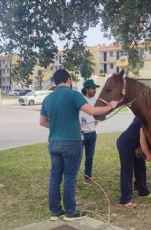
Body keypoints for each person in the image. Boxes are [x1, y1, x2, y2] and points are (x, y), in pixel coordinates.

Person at [39, 69, 118, 221]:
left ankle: (55, 212)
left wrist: (56, 126)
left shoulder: (47, 99)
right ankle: (70, 212)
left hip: (53, 143)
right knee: (69, 177)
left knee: (55, 178)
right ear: (68, 80)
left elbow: (42, 122)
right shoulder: (73, 94)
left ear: (55, 82)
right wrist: (111, 106)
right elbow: (92, 111)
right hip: (71, 142)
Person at [117, 117, 151, 208]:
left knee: (141, 168)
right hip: (126, 143)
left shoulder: (146, 116)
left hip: (136, 144)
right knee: (127, 170)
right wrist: (148, 155)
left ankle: (143, 191)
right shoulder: (143, 118)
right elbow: (142, 141)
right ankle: (125, 199)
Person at [79, 79, 100, 185]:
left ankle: (87, 178)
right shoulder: (80, 99)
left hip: (92, 133)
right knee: (77, 157)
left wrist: (97, 120)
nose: (94, 90)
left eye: (95, 88)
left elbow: (98, 114)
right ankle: (73, 181)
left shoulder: (96, 100)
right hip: (80, 134)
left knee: (90, 156)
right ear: (87, 89)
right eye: (92, 88)